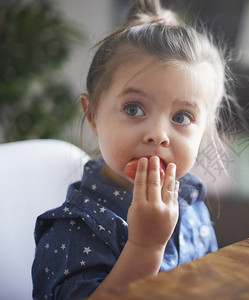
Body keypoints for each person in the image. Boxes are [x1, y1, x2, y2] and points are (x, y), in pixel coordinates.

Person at [32, 0, 237, 298]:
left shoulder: (191, 202)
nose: (158, 135)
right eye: (133, 108)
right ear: (92, 117)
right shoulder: (73, 231)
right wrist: (146, 246)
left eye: (181, 117)